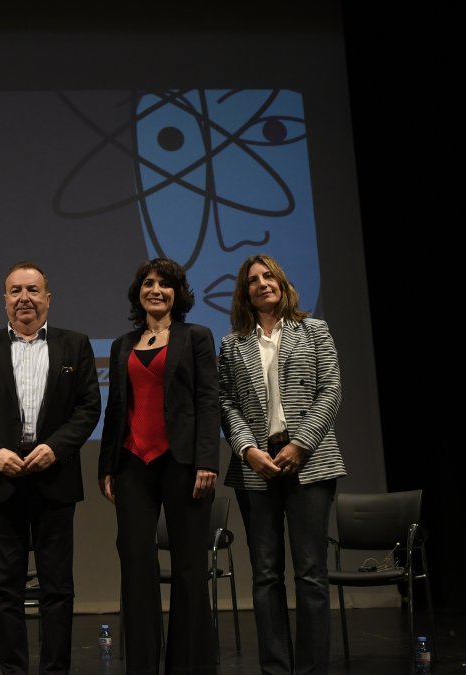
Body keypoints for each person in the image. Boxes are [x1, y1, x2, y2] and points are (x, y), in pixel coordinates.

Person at [0, 261, 101, 675]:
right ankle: (14, 671)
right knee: (6, 589)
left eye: (33, 290)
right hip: (0, 478)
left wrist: (55, 448)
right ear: (4, 300)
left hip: (54, 478)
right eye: (16, 290)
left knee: (58, 587)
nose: (24, 298)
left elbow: (88, 407)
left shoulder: (75, 344)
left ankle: (55, 670)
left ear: (48, 298)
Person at [217, 253, 345, 675]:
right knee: (266, 575)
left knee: (310, 573)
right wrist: (247, 449)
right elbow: (226, 402)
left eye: (268, 276)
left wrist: (301, 443)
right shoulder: (232, 343)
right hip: (256, 465)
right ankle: (275, 669)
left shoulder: (314, 330)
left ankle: (311, 669)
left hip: (309, 461)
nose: (262, 283)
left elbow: (331, 390)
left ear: (282, 282)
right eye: (253, 279)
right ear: (245, 292)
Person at [98, 257, 219, 675]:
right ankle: (143, 665)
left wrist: (207, 460)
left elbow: (208, 401)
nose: (156, 290)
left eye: (165, 284)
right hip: (133, 464)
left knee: (188, 569)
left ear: (176, 294)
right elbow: (116, 409)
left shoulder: (196, 337)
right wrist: (107, 466)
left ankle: (187, 666)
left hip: (183, 463)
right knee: (136, 564)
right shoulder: (122, 345)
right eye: (148, 283)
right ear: (138, 293)